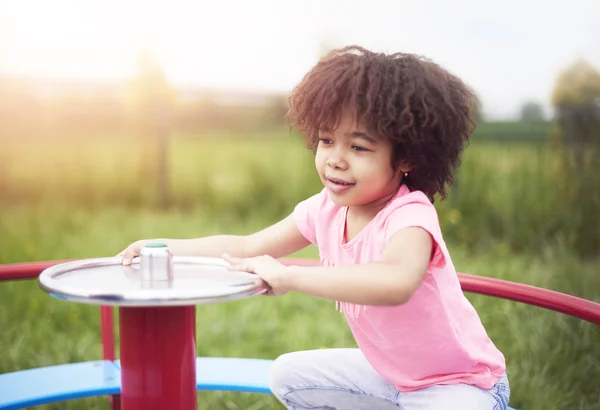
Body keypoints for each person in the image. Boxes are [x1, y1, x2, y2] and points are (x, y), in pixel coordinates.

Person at [120, 46, 510, 410]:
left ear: (406, 158)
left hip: (460, 385)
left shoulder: (409, 214)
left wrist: (289, 277)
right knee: (288, 377)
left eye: (358, 148)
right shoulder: (324, 209)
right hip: (393, 379)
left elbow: (395, 282)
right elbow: (248, 244)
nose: (335, 160)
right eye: (326, 141)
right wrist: (163, 246)